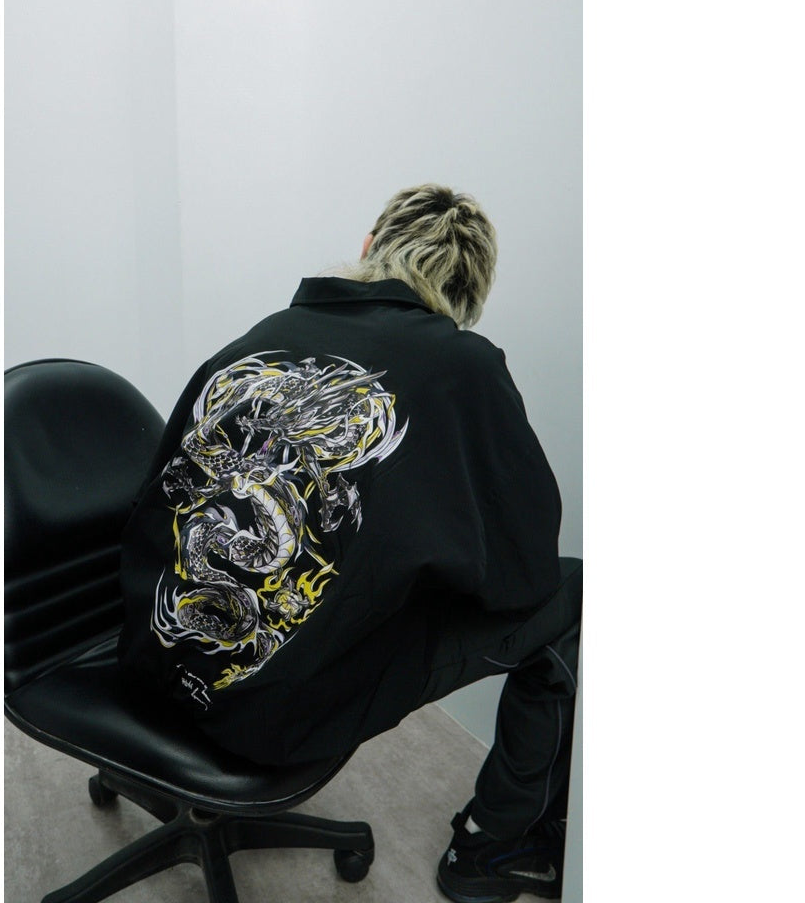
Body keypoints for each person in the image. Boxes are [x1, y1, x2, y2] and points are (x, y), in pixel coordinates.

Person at [116, 183, 582, 902]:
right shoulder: (464, 365)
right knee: (576, 594)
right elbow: (523, 568)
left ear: (369, 249)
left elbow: (162, 496)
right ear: (470, 294)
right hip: (268, 720)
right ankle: (493, 846)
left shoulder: (269, 334)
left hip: (146, 661)